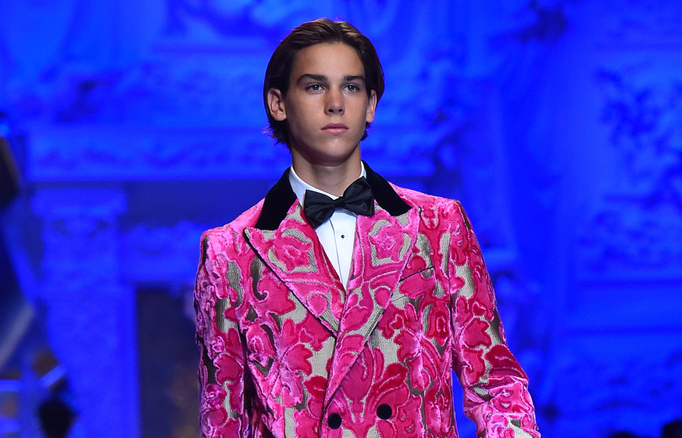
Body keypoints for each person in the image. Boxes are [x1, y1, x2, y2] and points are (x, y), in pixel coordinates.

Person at [194, 18, 539, 437]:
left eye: (352, 87)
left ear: (371, 104)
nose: (336, 103)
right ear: (278, 103)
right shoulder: (230, 253)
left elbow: (495, 382)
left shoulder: (438, 226)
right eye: (315, 86)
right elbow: (225, 419)